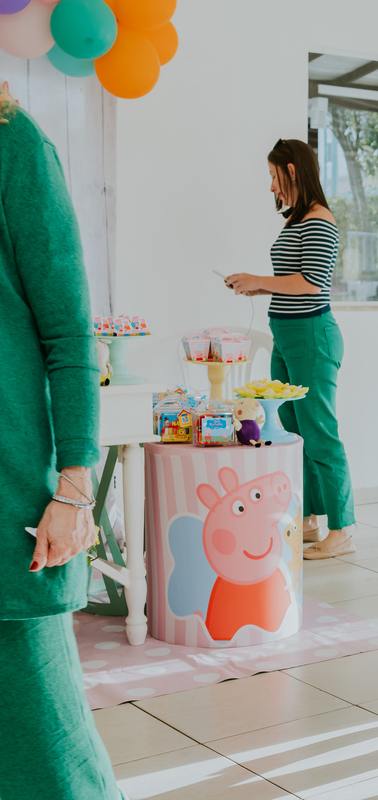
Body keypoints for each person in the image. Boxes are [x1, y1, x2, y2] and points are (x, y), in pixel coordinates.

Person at [0, 83, 125, 800]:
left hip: (9, 500)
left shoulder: (15, 144)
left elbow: (70, 336)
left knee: (51, 755)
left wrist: (74, 488)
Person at [225, 138, 357, 559]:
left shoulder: (319, 221)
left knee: (320, 434)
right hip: (287, 333)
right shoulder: (297, 221)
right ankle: (311, 518)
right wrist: (257, 286)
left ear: (292, 171)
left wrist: (258, 279)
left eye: (273, 176)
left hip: (311, 336)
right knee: (293, 430)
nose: (271, 187)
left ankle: (342, 529)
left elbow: (311, 282)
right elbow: (292, 279)